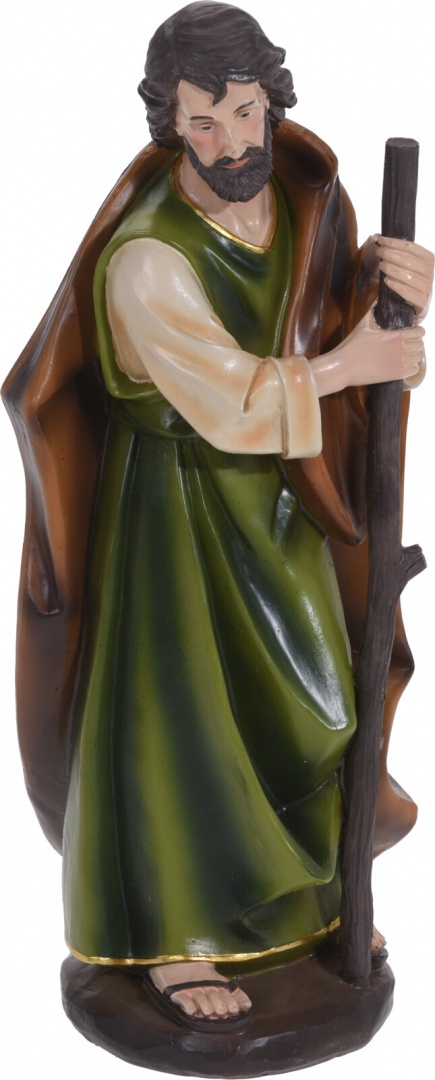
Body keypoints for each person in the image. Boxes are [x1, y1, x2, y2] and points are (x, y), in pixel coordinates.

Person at [3, 3, 432, 1032]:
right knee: (186, 723)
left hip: (282, 508)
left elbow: (321, 313)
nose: (233, 141)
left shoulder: (298, 198)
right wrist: (352, 364)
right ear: (170, 124)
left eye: (245, 112)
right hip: (179, 514)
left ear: (271, 99)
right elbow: (231, 397)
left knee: (313, 707)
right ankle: (174, 936)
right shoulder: (145, 258)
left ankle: (306, 910)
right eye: (203, 122)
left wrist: (386, 286)